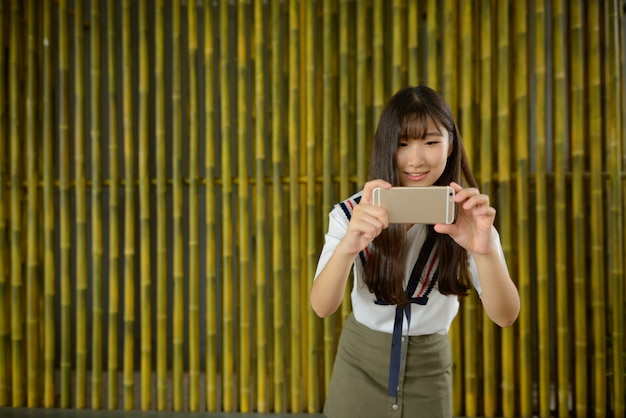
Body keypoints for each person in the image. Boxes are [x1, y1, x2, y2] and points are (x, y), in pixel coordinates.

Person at [310, 85, 520, 418]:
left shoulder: (467, 217)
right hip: (359, 362)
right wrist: (350, 245)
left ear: (450, 145)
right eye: (402, 143)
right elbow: (322, 307)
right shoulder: (350, 214)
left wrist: (484, 249)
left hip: (430, 367)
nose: (416, 159)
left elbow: (506, 316)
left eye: (431, 141)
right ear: (385, 147)